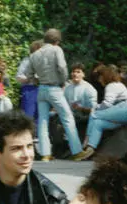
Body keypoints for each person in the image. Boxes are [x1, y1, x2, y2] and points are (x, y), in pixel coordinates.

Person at [26, 29, 81, 162]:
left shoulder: (34, 54)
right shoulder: (57, 50)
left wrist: (37, 81)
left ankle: (45, 154)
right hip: (54, 88)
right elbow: (62, 67)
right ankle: (77, 152)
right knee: (67, 117)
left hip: (41, 89)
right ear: (57, 41)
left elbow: (28, 74)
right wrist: (63, 80)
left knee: (43, 122)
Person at [73, 65, 127, 161]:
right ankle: (91, 148)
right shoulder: (118, 84)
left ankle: (86, 142)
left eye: (100, 77)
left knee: (94, 114)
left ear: (104, 76)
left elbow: (107, 104)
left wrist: (95, 108)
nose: (99, 80)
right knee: (98, 123)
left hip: (123, 108)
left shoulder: (111, 86)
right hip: (126, 113)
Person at [63, 62, 98, 151]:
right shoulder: (68, 88)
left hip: (85, 116)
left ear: (83, 74)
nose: (75, 74)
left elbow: (95, 110)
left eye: (78, 72)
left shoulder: (89, 89)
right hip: (71, 115)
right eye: (73, 72)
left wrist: (81, 108)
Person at [16, 40, 43, 125]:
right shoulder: (26, 61)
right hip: (29, 90)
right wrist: (30, 79)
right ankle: (28, 135)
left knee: (41, 115)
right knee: (28, 115)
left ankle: (38, 136)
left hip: (42, 89)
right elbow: (19, 77)